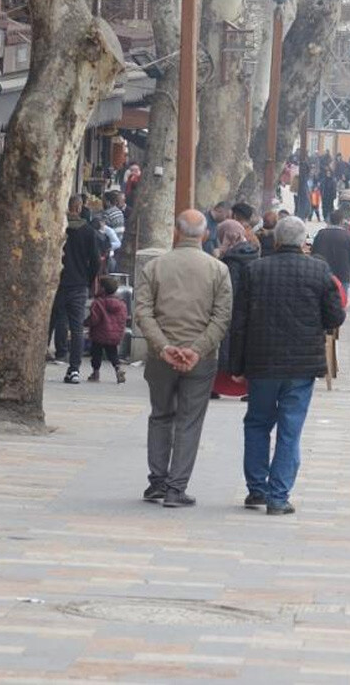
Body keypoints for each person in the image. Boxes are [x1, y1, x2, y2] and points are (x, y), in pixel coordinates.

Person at [229, 217, 345, 515]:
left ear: (276, 241)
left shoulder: (255, 270)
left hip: (262, 362)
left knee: (257, 423)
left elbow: (238, 322)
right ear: (303, 241)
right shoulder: (319, 270)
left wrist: (236, 365)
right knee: (290, 430)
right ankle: (278, 497)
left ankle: (257, 489)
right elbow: (334, 317)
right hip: (301, 366)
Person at [133, 210, 233, 508]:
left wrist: (164, 347)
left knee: (160, 415)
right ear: (205, 235)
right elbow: (222, 316)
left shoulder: (155, 267)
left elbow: (142, 312)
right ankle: (176, 488)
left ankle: (157, 482)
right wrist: (197, 349)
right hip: (199, 360)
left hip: (160, 356)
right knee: (190, 421)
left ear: (176, 233)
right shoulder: (218, 270)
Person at [50, 195, 100, 382]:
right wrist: (88, 277)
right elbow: (95, 261)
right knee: (77, 327)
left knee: (54, 320)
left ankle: (55, 353)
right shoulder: (88, 231)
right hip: (78, 283)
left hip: (56, 281)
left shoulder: (57, 228)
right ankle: (74, 369)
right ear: (80, 208)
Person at [214, 220, 261, 399]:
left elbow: (230, 287)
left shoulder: (231, 259)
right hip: (251, 308)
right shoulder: (253, 252)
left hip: (232, 309)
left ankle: (220, 386)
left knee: (226, 348)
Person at [86, 275, 128, 384]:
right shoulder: (122, 304)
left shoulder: (98, 303)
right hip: (114, 335)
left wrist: (85, 323)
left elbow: (94, 319)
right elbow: (123, 319)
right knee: (113, 353)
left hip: (99, 334)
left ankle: (95, 373)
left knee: (96, 354)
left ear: (103, 289)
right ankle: (118, 368)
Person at [311, 209, 350, 301]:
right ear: (341, 221)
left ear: (330, 220)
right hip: (343, 274)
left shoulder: (321, 234)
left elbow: (314, 252)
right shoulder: (347, 236)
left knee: (323, 300)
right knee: (341, 301)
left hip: (323, 273)